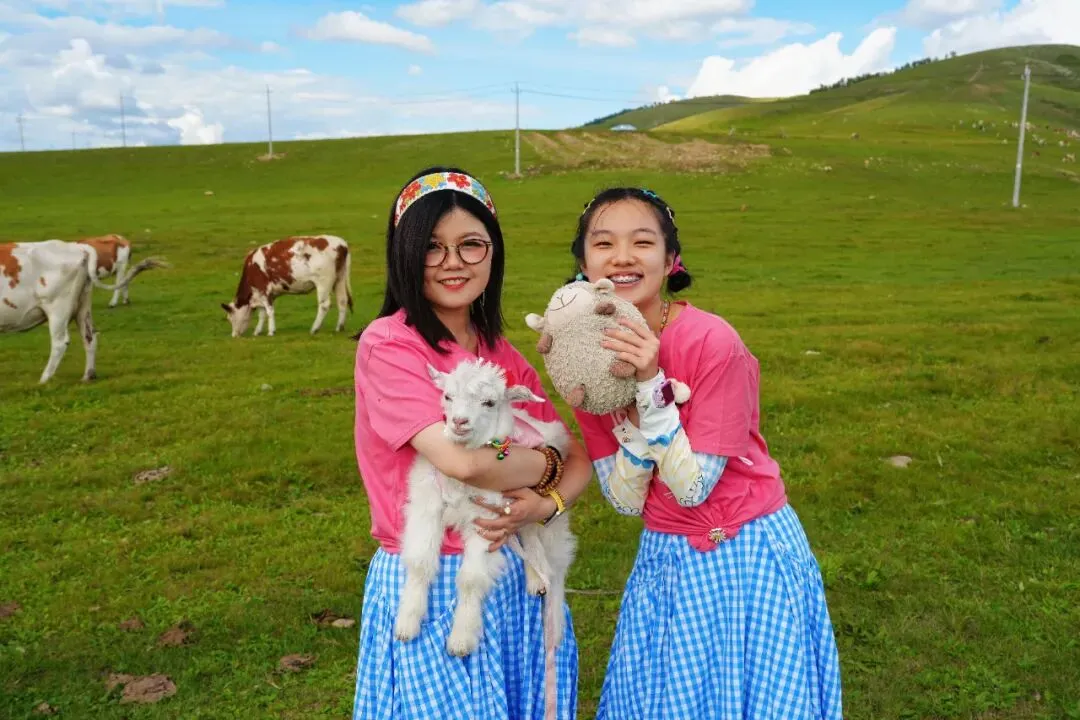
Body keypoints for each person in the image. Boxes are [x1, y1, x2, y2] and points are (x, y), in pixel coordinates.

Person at [569, 187, 843, 719]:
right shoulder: (585, 363)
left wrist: (650, 385)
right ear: (584, 265)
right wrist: (629, 416)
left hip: (746, 554)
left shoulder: (712, 341)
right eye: (603, 244)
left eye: (641, 242)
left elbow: (693, 488)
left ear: (671, 260)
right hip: (666, 556)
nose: (622, 257)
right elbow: (624, 500)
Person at [351, 166, 590, 720]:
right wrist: (545, 464)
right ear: (404, 254)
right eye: (432, 247)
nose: (452, 261)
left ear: (493, 252)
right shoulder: (390, 345)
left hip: (511, 579)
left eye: (471, 244)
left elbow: (580, 459)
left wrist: (546, 502)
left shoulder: (500, 354)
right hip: (432, 580)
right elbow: (460, 462)